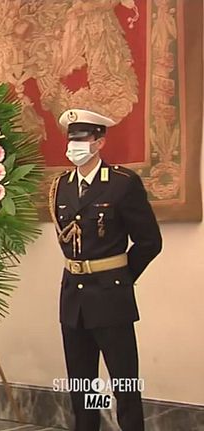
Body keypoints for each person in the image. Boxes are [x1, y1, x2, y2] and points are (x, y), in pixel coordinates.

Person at [50, 109, 162, 431]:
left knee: (124, 384)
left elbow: (149, 241)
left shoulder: (121, 184)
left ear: (99, 142)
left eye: (82, 138)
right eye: (71, 139)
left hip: (111, 297)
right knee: (83, 386)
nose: (75, 145)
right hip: (73, 298)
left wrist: (121, 278)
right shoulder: (61, 186)